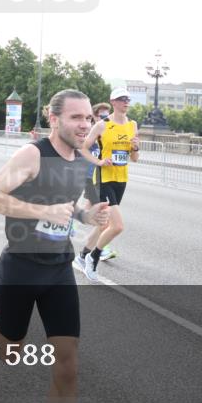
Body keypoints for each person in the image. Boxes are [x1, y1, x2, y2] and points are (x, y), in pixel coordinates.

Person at [0, 89, 110, 403]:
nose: (84, 124)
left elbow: (69, 206)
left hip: (59, 267)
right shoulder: (32, 154)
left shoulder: (79, 160)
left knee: (68, 361)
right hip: (21, 268)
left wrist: (88, 216)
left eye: (88, 118)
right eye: (76, 117)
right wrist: (43, 212)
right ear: (54, 119)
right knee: (11, 349)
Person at [78, 88, 140, 282]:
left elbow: (135, 158)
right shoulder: (102, 125)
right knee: (118, 226)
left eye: (127, 99)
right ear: (113, 102)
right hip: (104, 178)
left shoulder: (132, 125)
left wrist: (136, 148)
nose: (126, 102)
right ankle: (92, 258)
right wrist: (98, 162)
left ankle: (82, 254)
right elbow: (83, 149)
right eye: (122, 99)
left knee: (104, 224)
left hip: (121, 179)